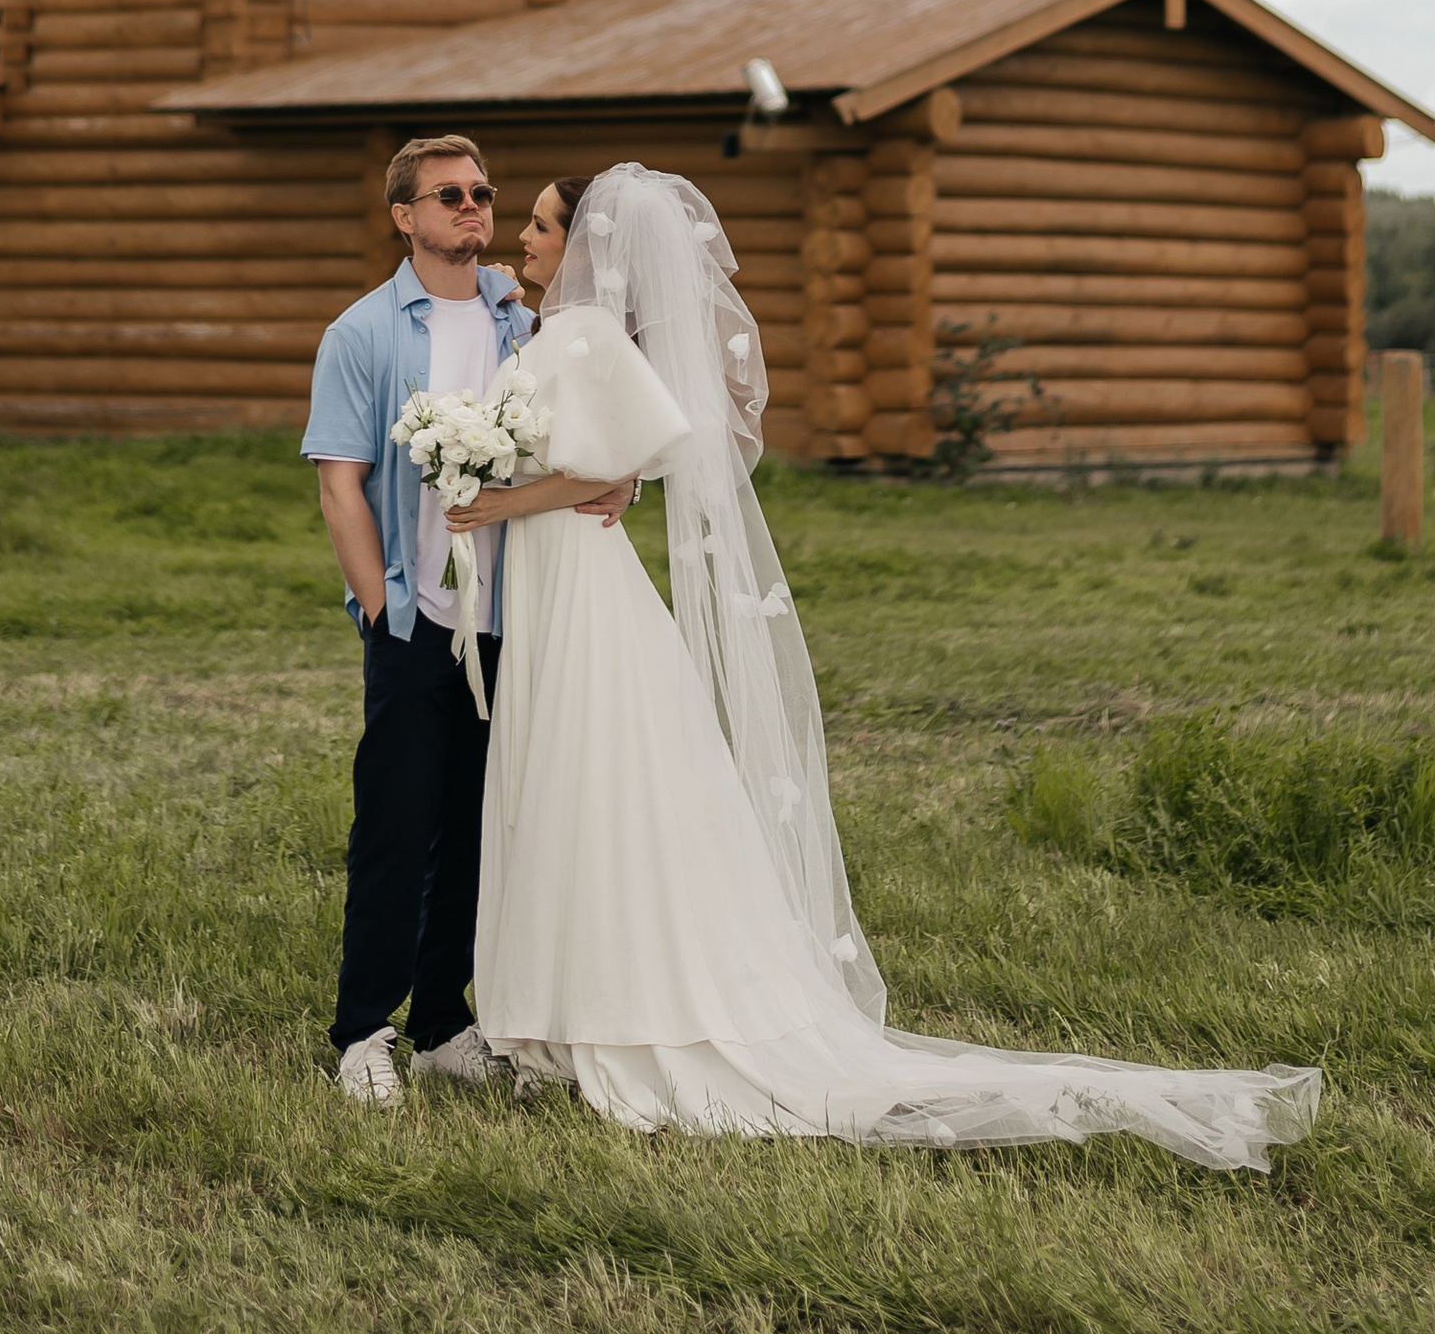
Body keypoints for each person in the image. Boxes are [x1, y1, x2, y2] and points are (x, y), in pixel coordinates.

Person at [441, 160, 1321, 1171]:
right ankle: (562, 1010)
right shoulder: (559, 328)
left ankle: (608, 1009)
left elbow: (632, 452)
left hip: (578, 580)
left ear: (586, 243)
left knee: (587, 774)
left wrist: (509, 497)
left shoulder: (585, 333)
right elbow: (632, 447)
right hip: (559, 575)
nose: (523, 238)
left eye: (541, 226)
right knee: (571, 776)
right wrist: (574, 478)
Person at [301, 132, 633, 1109]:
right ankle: (364, 1030)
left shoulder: (521, 321)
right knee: (395, 826)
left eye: (482, 192)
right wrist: (380, 608)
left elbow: (592, 422)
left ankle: (445, 1024)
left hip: (512, 619)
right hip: (415, 619)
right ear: (403, 216)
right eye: (449, 194)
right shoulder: (361, 333)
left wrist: (624, 481)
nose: (474, 207)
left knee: (479, 829)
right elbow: (340, 483)